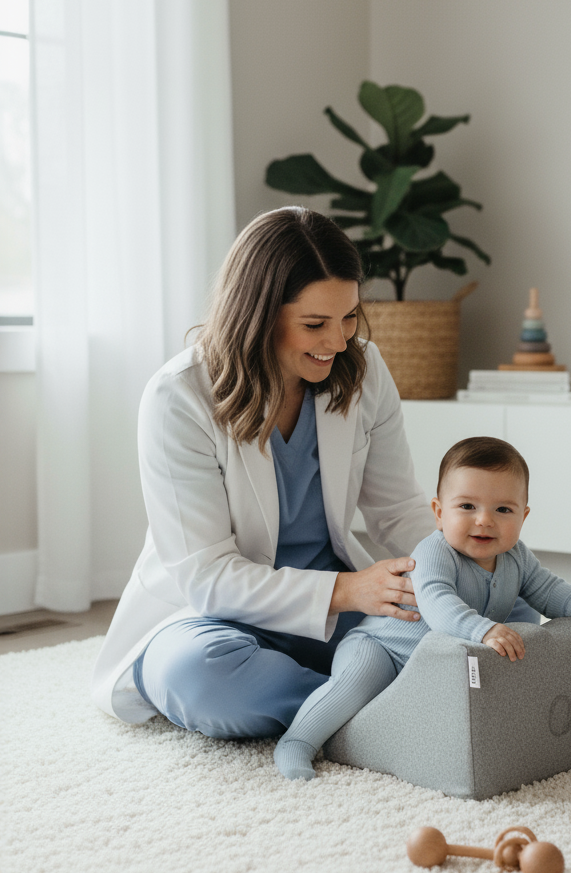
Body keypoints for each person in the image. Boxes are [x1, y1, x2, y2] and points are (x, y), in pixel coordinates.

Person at [91, 206, 505, 738]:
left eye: (350, 317)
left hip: (337, 611)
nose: (337, 341)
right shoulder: (178, 396)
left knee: (461, 624)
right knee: (202, 679)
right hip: (210, 617)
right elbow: (207, 576)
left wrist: (468, 575)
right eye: (314, 324)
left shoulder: (364, 370)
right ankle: (380, 714)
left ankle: (346, 702)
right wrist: (348, 592)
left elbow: (398, 510)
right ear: (258, 314)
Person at [273, 435, 571, 779]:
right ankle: (298, 741)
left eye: (503, 509)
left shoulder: (517, 557)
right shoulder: (434, 552)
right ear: (439, 513)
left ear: (523, 517)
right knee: (354, 685)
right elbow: (438, 603)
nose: (484, 520)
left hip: (436, 664)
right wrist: (481, 629)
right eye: (467, 507)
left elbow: (549, 589)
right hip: (382, 648)